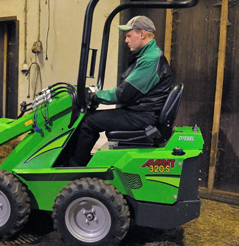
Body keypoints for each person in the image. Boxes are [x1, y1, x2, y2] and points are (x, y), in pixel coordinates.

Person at [68, 15, 174, 166]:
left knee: (87, 122)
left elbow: (123, 94)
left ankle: (74, 168)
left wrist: (95, 96)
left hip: (143, 116)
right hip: (141, 112)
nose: (126, 40)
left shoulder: (150, 59)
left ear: (142, 34)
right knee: (89, 117)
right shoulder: (147, 55)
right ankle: (77, 163)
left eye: (129, 36)